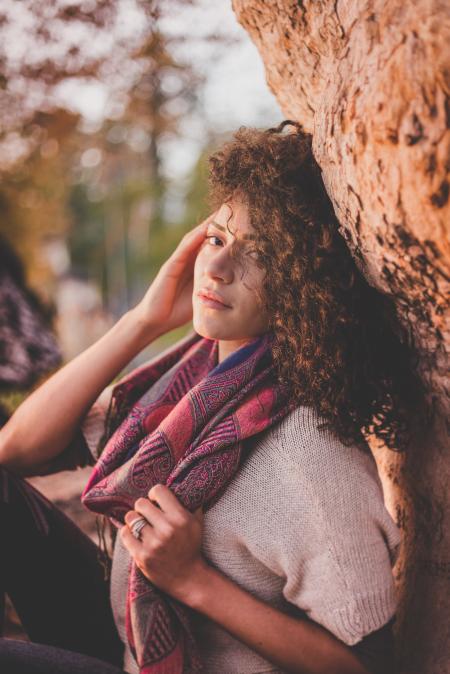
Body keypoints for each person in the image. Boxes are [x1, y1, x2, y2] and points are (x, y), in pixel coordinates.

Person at [0, 121, 428, 674]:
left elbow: (369, 668)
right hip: (123, 639)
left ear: (308, 285)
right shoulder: (191, 379)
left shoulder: (315, 461)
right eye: (218, 239)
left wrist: (191, 581)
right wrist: (142, 321)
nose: (218, 268)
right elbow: (15, 451)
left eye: (261, 254)